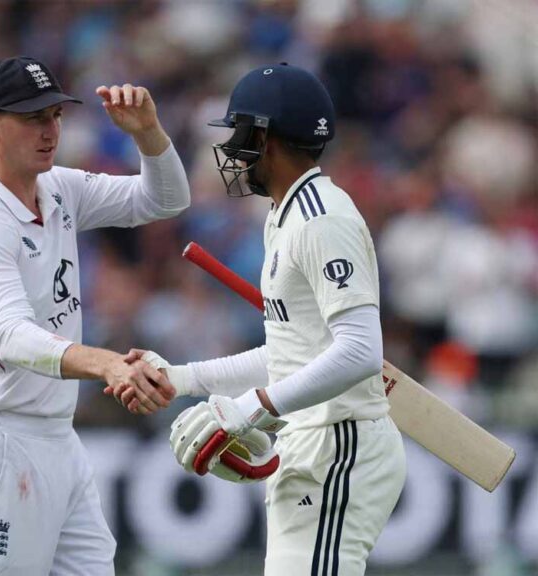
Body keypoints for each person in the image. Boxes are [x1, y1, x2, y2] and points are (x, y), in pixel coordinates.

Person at [116, 63, 406, 576]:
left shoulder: (321, 219)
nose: (233, 149)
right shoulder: (284, 215)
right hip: (315, 440)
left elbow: (361, 352)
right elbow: (291, 354)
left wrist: (254, 406)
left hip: (339, 442)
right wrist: (182, 378)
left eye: (240, 133)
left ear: (266, 138)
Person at [0, 56, 186, 575]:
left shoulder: (59, 188)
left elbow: (164, 199)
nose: (50, 131)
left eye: (55, 116)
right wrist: (107, 364)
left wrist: (148, 133)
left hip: (58, 438)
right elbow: (12, 337)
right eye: (33, 119)